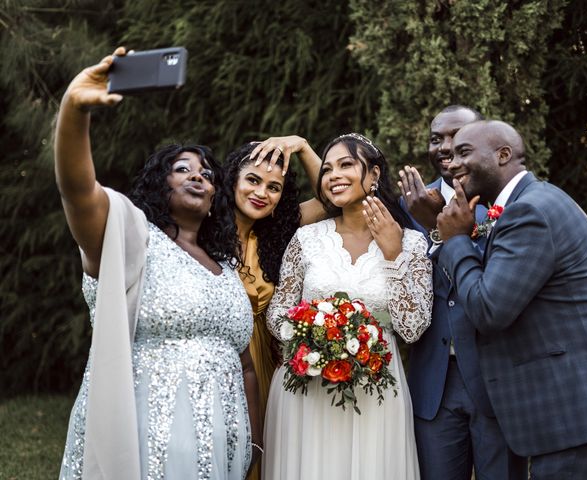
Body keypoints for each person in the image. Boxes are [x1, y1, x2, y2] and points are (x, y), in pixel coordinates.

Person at [56, 48, 260, 479]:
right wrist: (74, 111)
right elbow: (77, 190)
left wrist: (253, 444)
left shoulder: (225, 266)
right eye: (181, 168)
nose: (198, 175)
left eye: (207, 173)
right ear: (157, 184)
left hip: (225, 443)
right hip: (146, 437)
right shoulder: (130, 237)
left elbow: (244, 365)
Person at [435, 119, 587, 479]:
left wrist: (455, 241)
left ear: (503, 155)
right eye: (450, 155)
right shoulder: (529, 202)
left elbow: (489, 308)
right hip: (582, 413)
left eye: (464, 152)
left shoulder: (529, 211)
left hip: (583, 414)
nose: (452, 164)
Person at [262, 133, 433, 480]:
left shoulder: (411, 242)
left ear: (373, 175)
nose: (333, 175)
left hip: (376, 392)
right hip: (304, 388)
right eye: (326, 169)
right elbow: (277, 313)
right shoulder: (306, 239)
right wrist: (317, 339)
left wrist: (392, 254)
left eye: (345, 165)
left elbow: (413, 328)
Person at [398, 106, 526, 479]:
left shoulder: (507, 203)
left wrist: (449, 234)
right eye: (436, 138)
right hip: (432, 382)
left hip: (495, 376)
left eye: (456, 138)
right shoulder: (410, 206)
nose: (445, 147)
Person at [221, 137, 326, 480]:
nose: (262, 193)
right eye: (253, 180)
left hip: (261, 361)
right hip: (218, 355)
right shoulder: (203, 227)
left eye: (274, 187)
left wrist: (302, 147)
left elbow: (330, 201)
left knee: (257, 456)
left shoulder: (275, 235)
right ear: (232, 180)